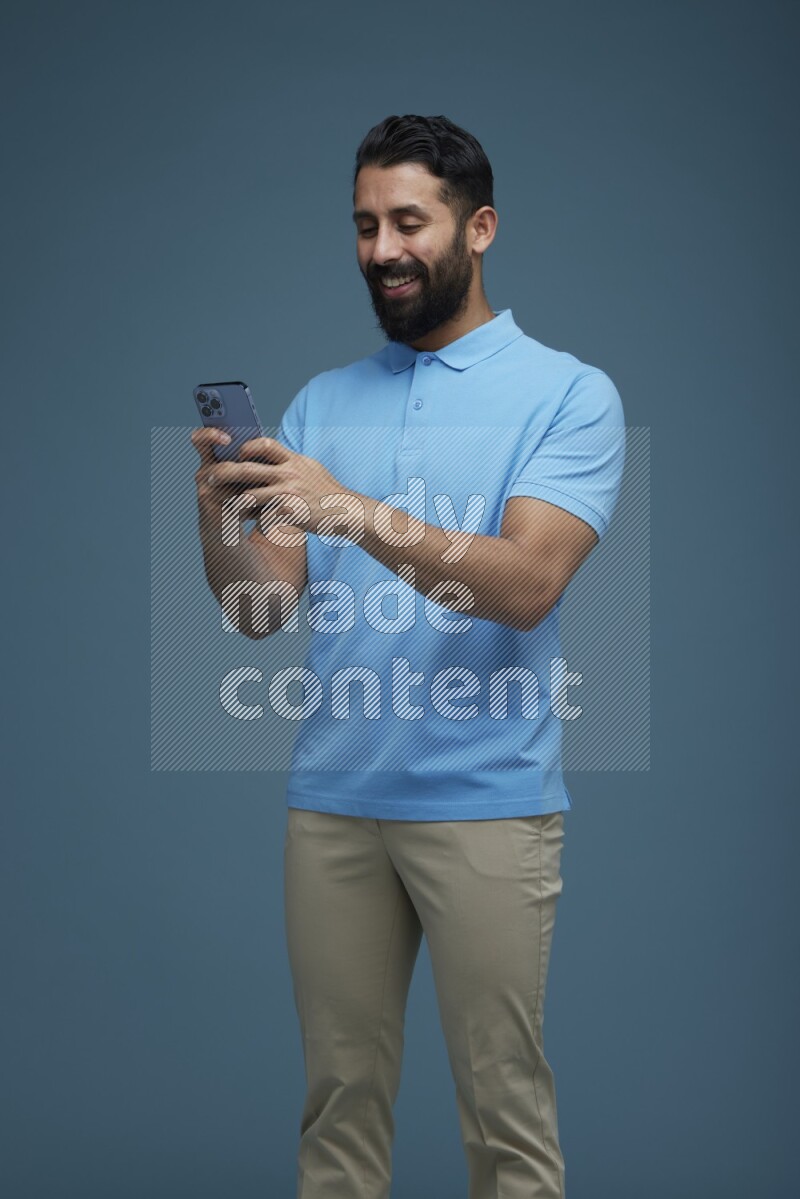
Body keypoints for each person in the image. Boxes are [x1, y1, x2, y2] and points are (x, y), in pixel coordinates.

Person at [192, 114, 626, 1199]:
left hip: (486, 801)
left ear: (476, 229)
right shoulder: (321, 403)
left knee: (503, 1114)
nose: (381, 247)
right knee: (337, 1106)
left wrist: (344, 508)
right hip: (332, 800)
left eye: (407, 221)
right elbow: (257, 611)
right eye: (363, 224)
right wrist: (217, 514)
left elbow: (527, 585)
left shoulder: (568, 394)